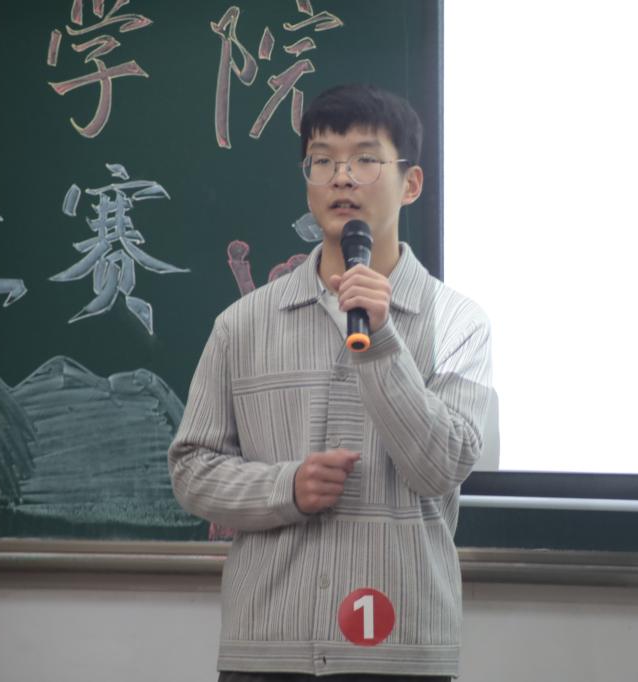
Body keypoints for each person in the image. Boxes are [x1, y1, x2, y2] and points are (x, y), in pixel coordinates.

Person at [168, 84, 493, 680]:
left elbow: (441, 467)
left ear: (411, 183)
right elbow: (191, 469)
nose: (342, 177)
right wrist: (285, 487)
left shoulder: (458, 322)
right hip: (267, 650)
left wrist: (382, 340)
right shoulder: (242, 324)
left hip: (400, 652)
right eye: (323, 161)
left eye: (366, 159)